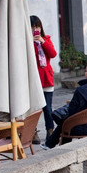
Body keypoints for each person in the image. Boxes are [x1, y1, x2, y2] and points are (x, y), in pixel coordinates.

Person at [41, 60, 87, 149]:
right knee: (66, 121)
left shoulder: (81, 90)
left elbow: (72, 112)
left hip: (81, 128)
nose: (84, 73)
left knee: (66, 121)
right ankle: (50, 144)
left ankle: (55, 147)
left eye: (86, 71)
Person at [31, 15, 57, 143]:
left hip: (47, 78)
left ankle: (50, 131)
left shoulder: (46, 39)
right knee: (34, 109)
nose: (35, 29)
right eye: (33, 27)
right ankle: (33, 132)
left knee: (48, 107)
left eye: (37, 26)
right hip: (34, 80)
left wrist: (42, 41)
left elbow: (52, 54)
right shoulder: (27, 42)